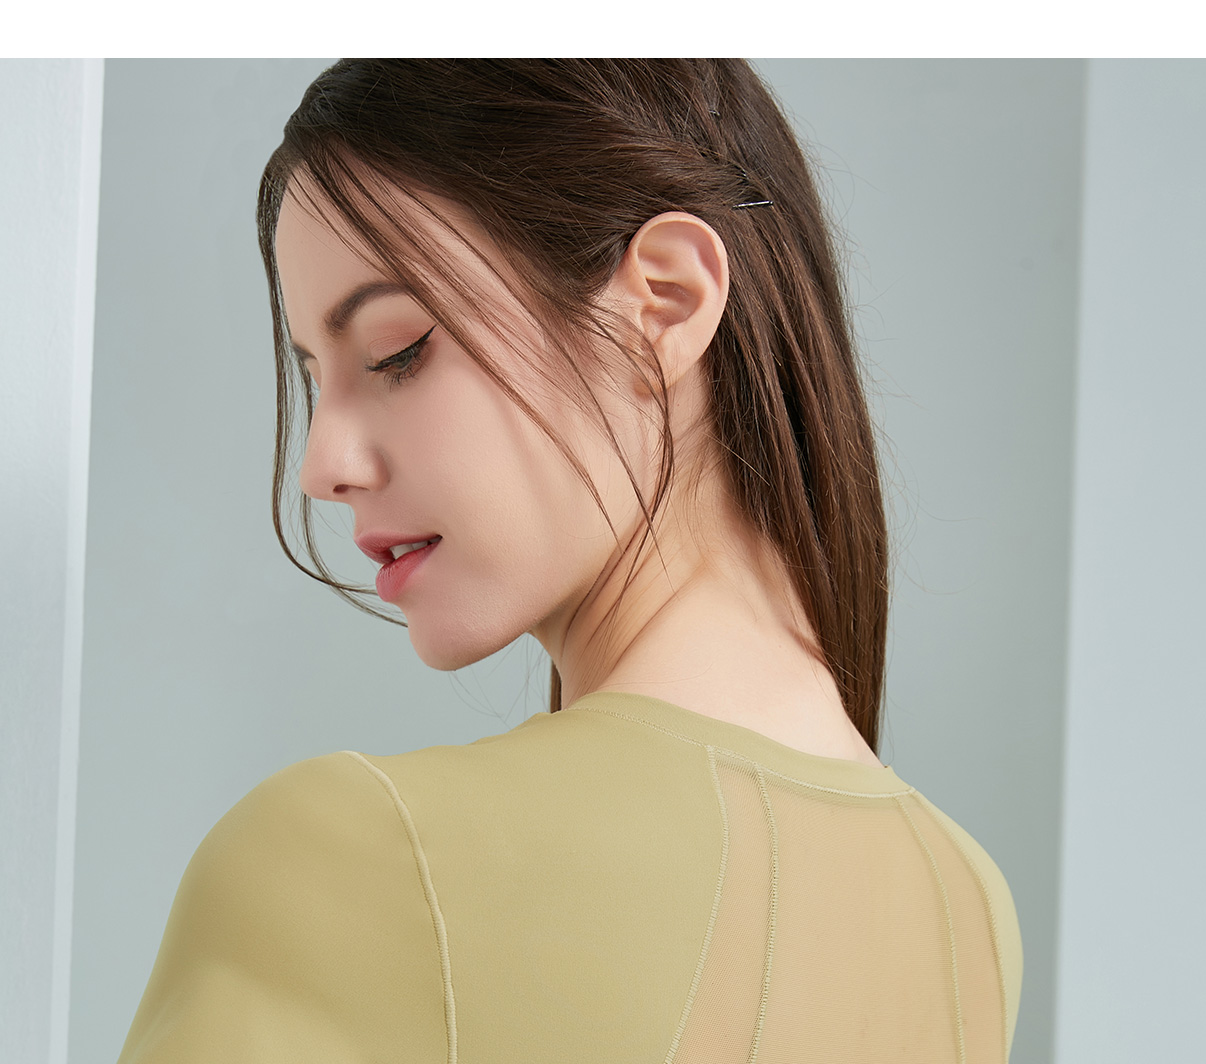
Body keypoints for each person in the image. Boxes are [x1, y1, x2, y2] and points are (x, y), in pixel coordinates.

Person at [118, 59, 1022, 1062]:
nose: (321, 465)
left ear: (663, 304)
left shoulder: (350, 856)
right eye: (314, 377)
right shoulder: (967, 908)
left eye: (396, 351)